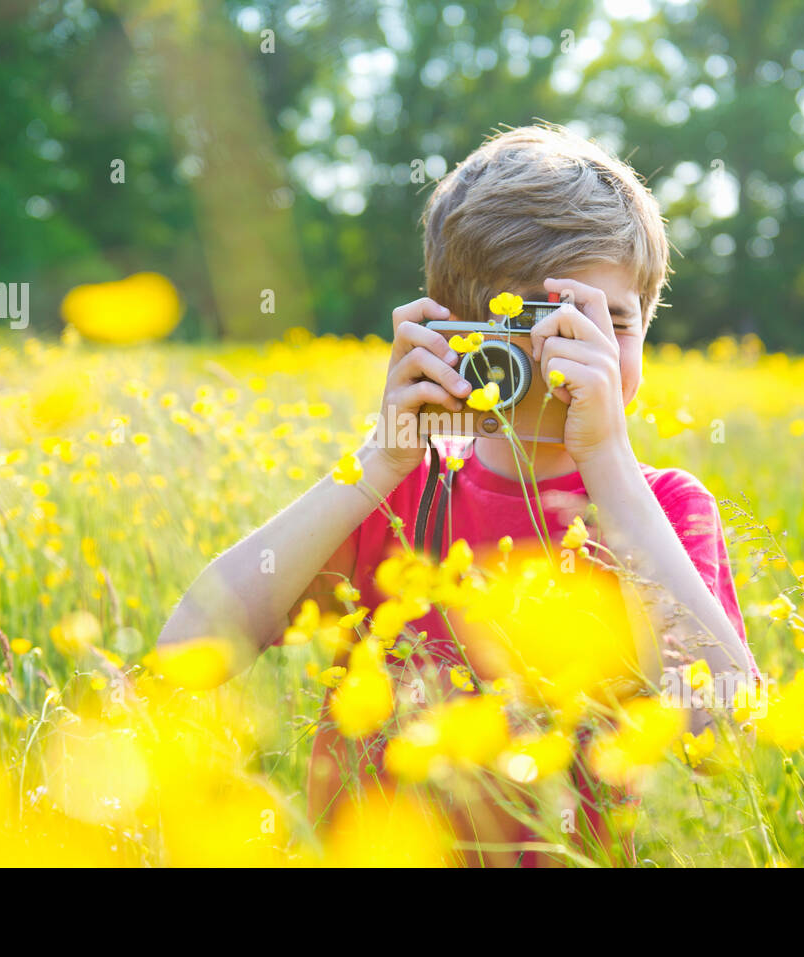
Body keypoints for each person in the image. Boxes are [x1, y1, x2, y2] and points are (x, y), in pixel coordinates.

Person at [158, 122, 759, 865]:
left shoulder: (660, 508)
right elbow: (188, 650)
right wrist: (378, 462)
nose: (569, 355)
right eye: (530, 322)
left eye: (610, 324)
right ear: (461, 331)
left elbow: (725, 735)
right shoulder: (400, 493)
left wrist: (606, 459)